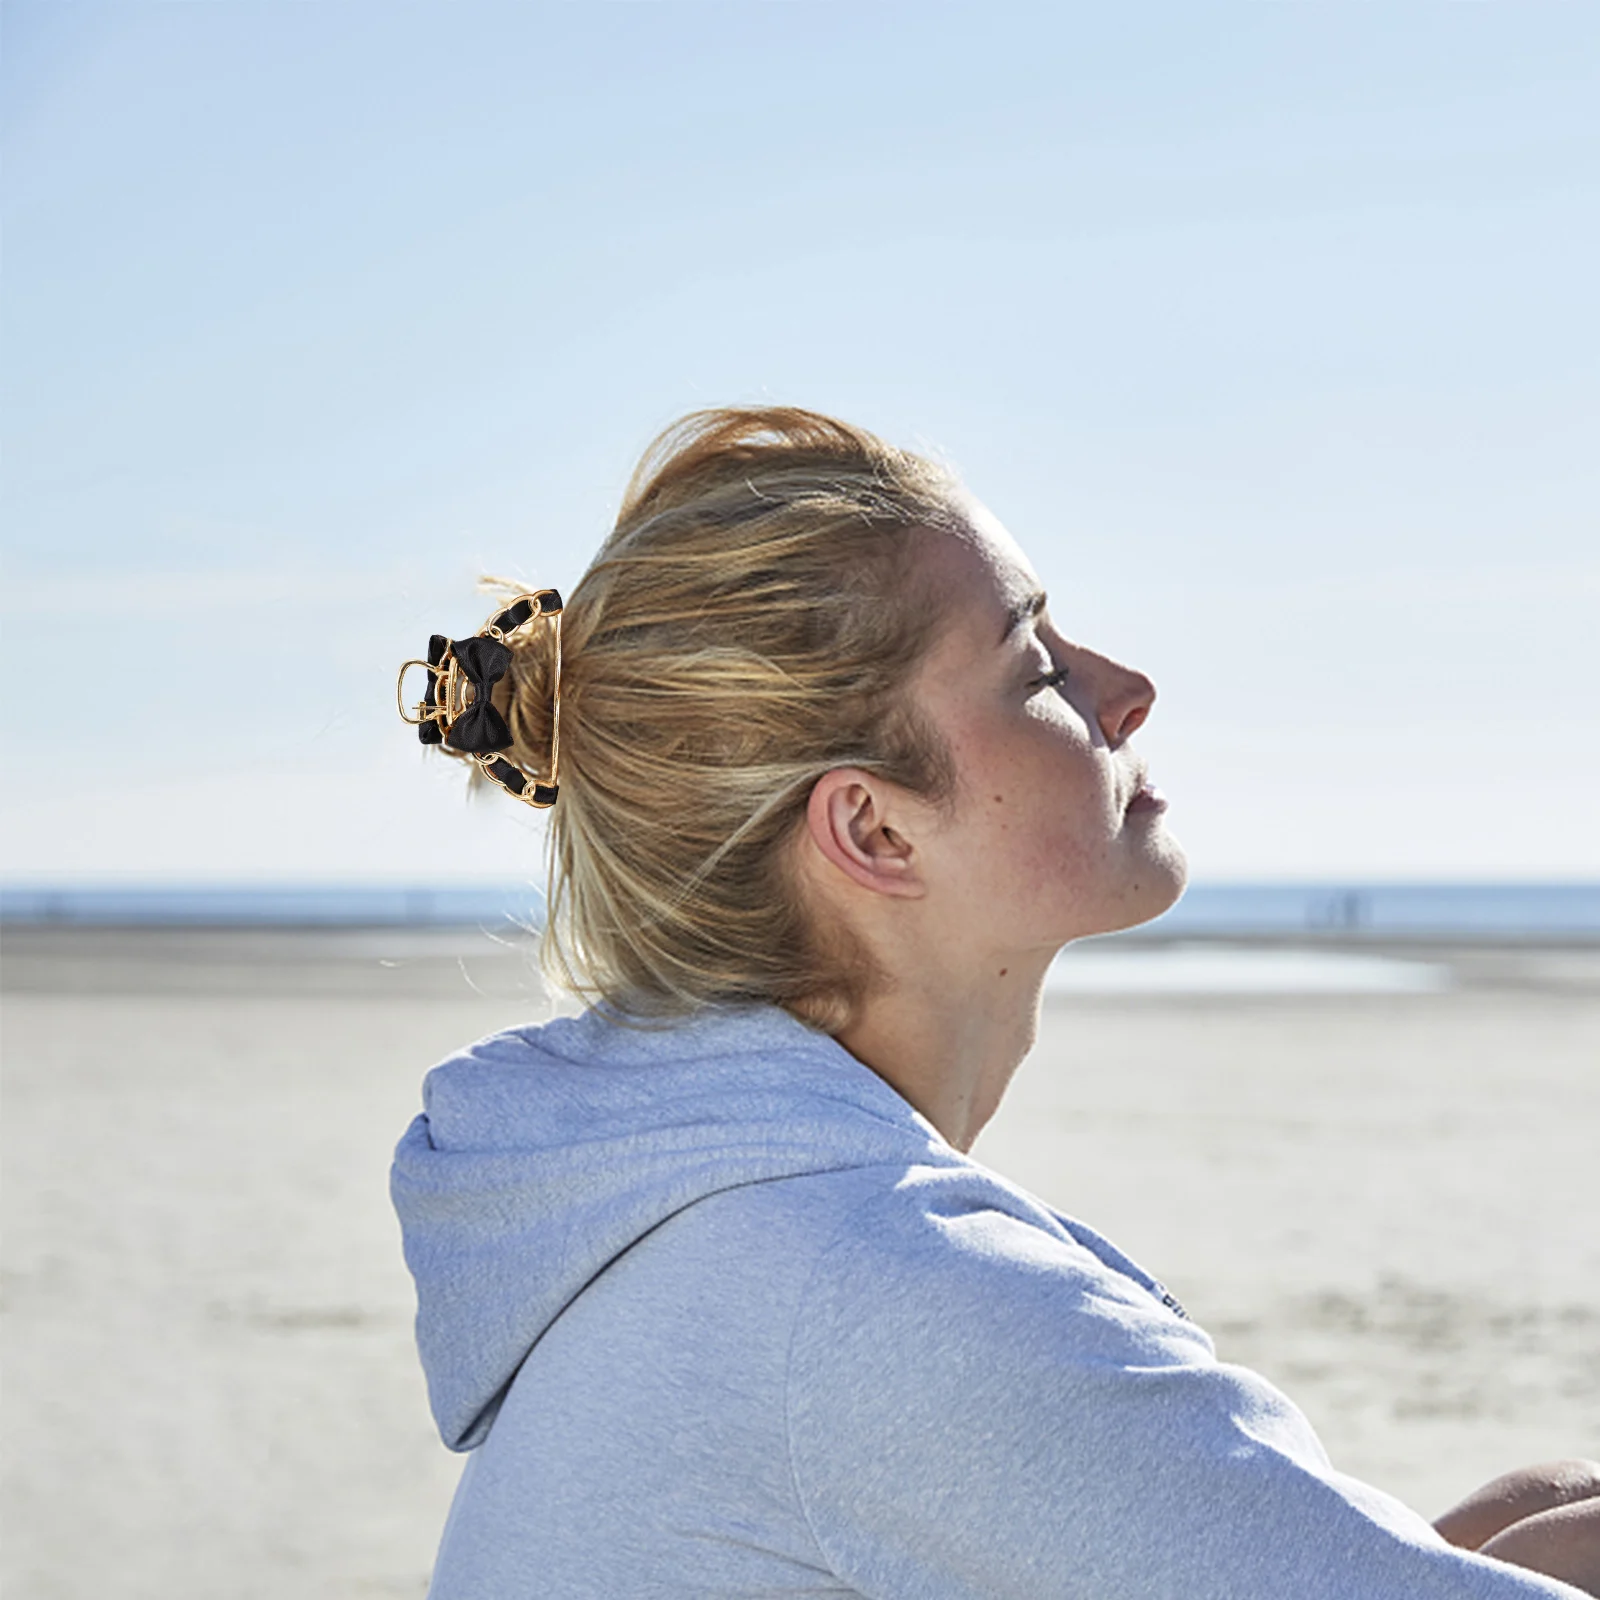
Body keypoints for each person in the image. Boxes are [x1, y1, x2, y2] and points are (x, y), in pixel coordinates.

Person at [392, 406, 1599, 1598]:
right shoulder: (881, 1295)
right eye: (1038, 665)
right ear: (874, 827)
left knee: (1546, 1503)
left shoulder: (705, 1218)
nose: (1127, 691)